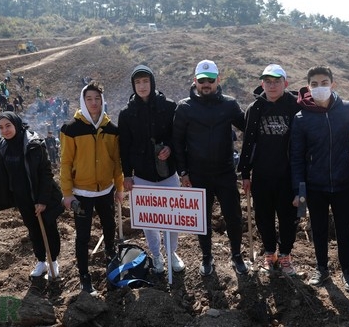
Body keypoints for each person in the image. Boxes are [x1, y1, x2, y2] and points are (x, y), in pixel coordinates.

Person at [172, 59, 247, 276]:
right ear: (195, 80)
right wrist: (183, 172)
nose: (206, 84)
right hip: (198, 174)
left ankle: (236, 256)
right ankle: (206, 257)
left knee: (233, 216)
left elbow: (248, 129)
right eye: (202, 80)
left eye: (210, 80)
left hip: (225, 173)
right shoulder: (185, 107)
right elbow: (177, 141)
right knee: (201, 219)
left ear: (218, 80)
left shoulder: (229, 105)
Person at [290, 66, 349, 290]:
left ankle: (347, 271)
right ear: (308, 87)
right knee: (318, 229)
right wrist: (298, 190)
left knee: (343, 228)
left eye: (324, 82)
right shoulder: (301, 118)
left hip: (343, 183)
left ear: (333, 84)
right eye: (315, 84)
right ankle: (321, 268)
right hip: (316, 185)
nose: (320, 87)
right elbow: (297, 157)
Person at [0, 112, 65, 280]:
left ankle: (53, 262)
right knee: (33, 229)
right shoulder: (2, 146)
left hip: (41, 195)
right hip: (21, 198)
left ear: (16, 124)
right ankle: (41, 261)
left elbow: (46, 173)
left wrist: (42, 201)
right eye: (1, 127)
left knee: (49, 228)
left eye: (8, 126)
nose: (5, 130)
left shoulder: (34, 144)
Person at [118, 64, 185, 274]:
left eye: (145, 81)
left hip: (168, 173)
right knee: (149, 220)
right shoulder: (127, 113)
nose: (142, 86)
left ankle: (172, 252)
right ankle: (156, 255)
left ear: (152, 82)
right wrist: (127, 175)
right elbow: (124, 147)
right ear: (133, 85)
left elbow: (177, 137)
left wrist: (169, 148)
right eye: (138, 82)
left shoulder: (169, 106)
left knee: (172, 217)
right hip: (143, 176)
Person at [60, 81, 124, 295]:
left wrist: (120, 187)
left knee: (109, 226)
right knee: (83, 236)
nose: (94, 103)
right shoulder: (71, 129)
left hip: (106, 190)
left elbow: (116, 161)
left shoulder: (111, 129)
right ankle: (84, 276)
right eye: (89, 99)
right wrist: (67, 193)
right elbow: (66, 162)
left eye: (97, 98)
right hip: (81, 192)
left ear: (102, 101)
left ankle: (110, 259)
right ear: (83, 101)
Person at [237, 64, 300, 275]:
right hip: (261, 175)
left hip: (288, 175)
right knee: (263, 218)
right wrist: (245, 173)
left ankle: (285, 256)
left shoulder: (295, 107)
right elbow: (248, 143)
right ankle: (269, 254)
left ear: (286, 83)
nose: (272, 86)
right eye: (268, 81)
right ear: (262, 83)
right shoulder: (254, 109)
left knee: (288, 218)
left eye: (277, 81)